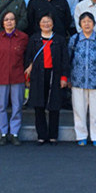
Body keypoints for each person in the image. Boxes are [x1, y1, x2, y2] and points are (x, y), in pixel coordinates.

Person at [69, 12, 96, 147]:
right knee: (79, 110)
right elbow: (68, 60)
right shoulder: (74, 39)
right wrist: (68, 78)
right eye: (84, 22)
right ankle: (81, 135)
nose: (86, 24)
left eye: (89, 21)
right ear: (80, 24)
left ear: (94, 23)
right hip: (77, 80)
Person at [25, 14, 69, 145]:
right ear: (39, 24)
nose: (46, 24)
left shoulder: (59, 40)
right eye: (43, 22)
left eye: (48, 21)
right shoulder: (34, 39)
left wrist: (64, 77)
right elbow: (28, 58)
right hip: (38, 75)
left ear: (53, 24)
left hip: (54, 75)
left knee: (54, 106)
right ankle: (41, 135)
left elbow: (65, 60)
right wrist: (28, 76)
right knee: (39, 106)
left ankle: (53, 135)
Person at [0, 11, 28, 146]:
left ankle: (14, 133)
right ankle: (3, 133)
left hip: (17, 75)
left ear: (16, 21)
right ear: (2, 23)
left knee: (17, 105)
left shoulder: (23, 37)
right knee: (1, 105)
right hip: (1, 75)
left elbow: (27, 56)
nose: (9, 22)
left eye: (12, 19)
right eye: (6, 20)